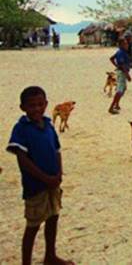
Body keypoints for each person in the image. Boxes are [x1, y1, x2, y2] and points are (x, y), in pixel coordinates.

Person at [6, 86, 74, 265]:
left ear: (46, 104)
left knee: (53, 217)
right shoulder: (21, 129)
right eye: (31, 105)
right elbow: (23, 160)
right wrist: (45, 178)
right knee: (33, 225)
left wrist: (58, 173)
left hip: (53, 183)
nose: (36, 108)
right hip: (35, 186)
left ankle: (50, 256)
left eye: (40, 104)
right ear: (23, 107)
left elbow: (57, 150)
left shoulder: (48, 125)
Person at [108, 38, 132, 114]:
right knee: (119, 91)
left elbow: (111, 58)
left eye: (127, 43)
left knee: (123, 89)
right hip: (122, 73)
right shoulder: (121, 53)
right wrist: (127, 75)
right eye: (125, 43)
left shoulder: (121, 52)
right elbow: (122, 65)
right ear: (121, 45)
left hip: (121, 72)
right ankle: (111, 108)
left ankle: (116, 104)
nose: (127, 45)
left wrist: (116, 65)